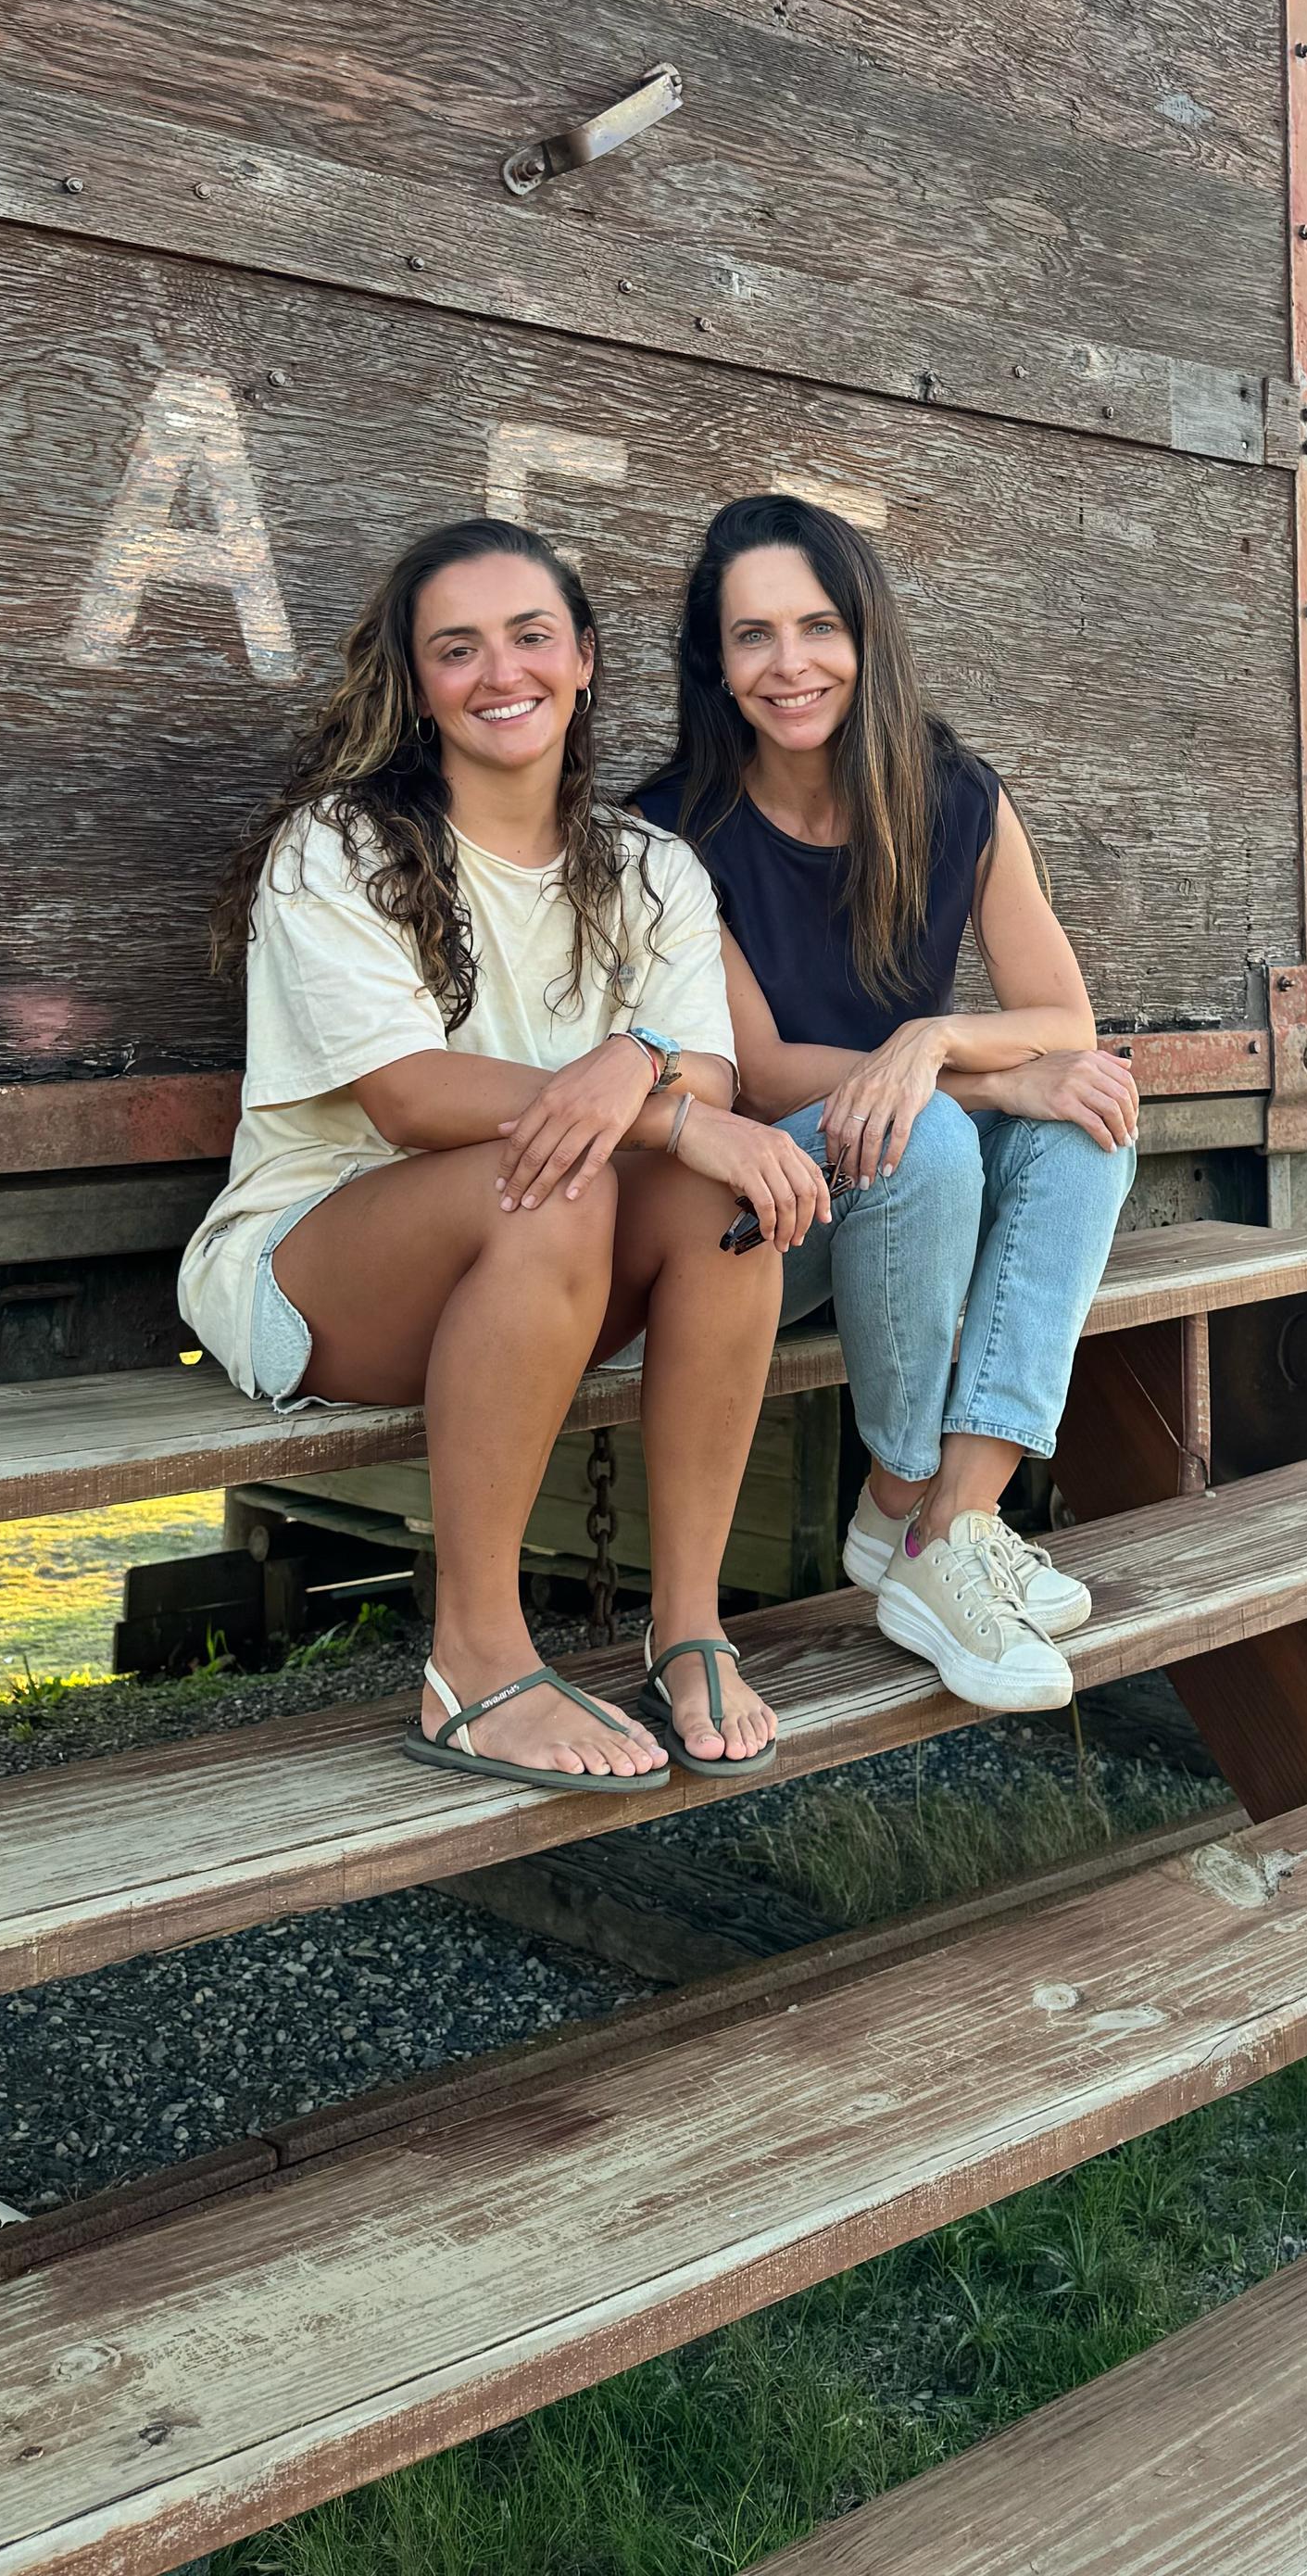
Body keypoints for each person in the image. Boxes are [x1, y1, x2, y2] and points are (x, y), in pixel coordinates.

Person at [180, 518, 827, 1789]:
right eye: (457, 649)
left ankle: (691, 1625)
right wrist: (664, 1101)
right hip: (320, 1267)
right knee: (559, 1186)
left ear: (583, 658)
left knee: (723, 1200)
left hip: (539, 1268)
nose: (500, 673)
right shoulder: (343, 847)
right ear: (418, 685)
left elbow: (708, 1069)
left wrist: (644, 1075)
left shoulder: (649, 868)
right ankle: (471, 1663)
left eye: (531, 637)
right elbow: (412, 1099)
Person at [630, 494, 1137, 1717]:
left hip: (915, 1175)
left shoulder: (954, 793)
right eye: (752, 636)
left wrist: (936, 1037)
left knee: (1091, 1111)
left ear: (866, 634)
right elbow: (747, 1072)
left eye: (817, 627)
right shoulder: (672, 830)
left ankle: (950, 1519)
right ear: (715, 658)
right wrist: (981, 1078)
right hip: (766, 1214)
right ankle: (907, 1503)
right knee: (939, 1128)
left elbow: (1063, 1018)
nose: (790, 665)